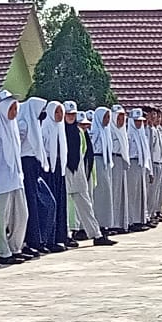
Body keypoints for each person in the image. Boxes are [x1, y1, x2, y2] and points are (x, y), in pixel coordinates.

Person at [64, 103, 115, 246]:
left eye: (73, 114)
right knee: (66, 207)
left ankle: (96, 235)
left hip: (78, 171)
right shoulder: (60, 130)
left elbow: (85, 153)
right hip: (64, 172)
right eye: (68, 114)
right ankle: (66, 235)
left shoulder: (79, 132)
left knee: (85, 205)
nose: (70, 117)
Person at [0, 96, 31, 264]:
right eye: (11, 109)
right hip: (0, 179)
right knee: (1, 218)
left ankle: (15, 247)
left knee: (22, 214)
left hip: (16, 176)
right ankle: (3, 251)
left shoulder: (13, 126)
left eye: (16, 109)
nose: (14, 113)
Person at [16, 97, 48, 257]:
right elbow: (18, 147)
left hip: (33, 164)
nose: (42, 114)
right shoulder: (23, 123)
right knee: (29, 204)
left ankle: (36, 240)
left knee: (35, 203)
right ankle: (28, 241)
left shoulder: (35, 124)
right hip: (25, 164)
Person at [41, 101, 70, 251]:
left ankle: (60, 237)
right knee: (51, 204)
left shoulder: (60, 128)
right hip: (48, 171)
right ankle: (49, 239)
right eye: (57, 112)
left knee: (61, 204)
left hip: (59, 170)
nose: (59, 116)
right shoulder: (45, 127)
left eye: (61, 112)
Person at [89, 106, 117, 239]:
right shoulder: (95, 132)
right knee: (99, 194)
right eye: (105, 117)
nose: (107, 120)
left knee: (106, 195)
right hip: (97, 161)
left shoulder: (106, 132)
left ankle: (105, 223)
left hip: (105, 163)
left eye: (108, 117)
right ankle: (98, 224)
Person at [126, 108, 153, 232]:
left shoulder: (142, 134)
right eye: (136, 121)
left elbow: (147, 154)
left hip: (141, 165)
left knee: (141, 194)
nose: (138, 123)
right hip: (132, 163)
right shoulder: (128, 134)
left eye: (140, 121)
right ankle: (131, 220)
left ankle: (140, 219)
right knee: (132, 194)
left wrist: (149, 170)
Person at [109, 105, 131, 235]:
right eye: (119, 117)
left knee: (122, 194)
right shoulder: (111, 130)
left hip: (122, 162)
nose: (121, 120)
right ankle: (113, 224)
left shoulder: (122, 131)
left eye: (123, 117)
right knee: (114, 194)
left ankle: (121, 223)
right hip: (113, 161)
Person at [148, 108, 162, 223]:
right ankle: (152, 213)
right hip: (156, 162)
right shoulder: (153, 130)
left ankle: (158, 210)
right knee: (154, 189)